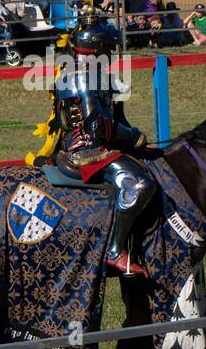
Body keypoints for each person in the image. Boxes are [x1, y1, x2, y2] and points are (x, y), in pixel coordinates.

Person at [52, 15, 155, 278]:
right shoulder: (83, 77)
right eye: (108, 48)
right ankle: (114, 251)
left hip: (103, 147)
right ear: (96, 49)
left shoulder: (99, 75)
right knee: (140, 184)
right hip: (87, 153)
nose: (111, 54)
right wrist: (131, 137)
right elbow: (97, 128)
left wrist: (134, 138)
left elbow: (116, 119)